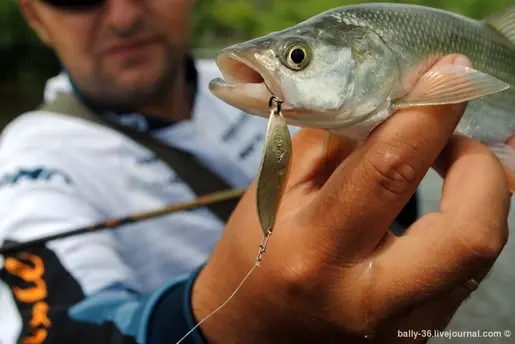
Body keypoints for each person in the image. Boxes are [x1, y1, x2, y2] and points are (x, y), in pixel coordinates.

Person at [0, 1, 509, 343]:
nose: (125, 15)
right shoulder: (30, 161)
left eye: (297, 57)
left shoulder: (249, 90)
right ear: (35, 19)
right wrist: (224, 321)